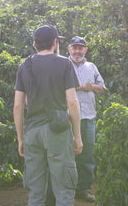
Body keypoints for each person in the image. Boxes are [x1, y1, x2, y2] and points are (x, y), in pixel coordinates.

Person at [13, 25, 83, 206]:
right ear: (55, 42)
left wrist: (21, 139)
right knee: (64, 190)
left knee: (36, 192)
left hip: (33, 133)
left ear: (35, 44)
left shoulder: (24, 66)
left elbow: (18, 106)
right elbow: (73, 102)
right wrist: (78, 136)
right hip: (58, 132)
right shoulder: (64, 64)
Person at [68, 36, 105, 202]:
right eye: (74, 48)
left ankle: (83, 190)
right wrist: (81, 87)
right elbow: (57, 88)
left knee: (87, 155)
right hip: (67, 117)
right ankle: (66, 190)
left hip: (89, 117)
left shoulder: (91, 67)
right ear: (69, 49)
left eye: (80, 48)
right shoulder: (63, 65)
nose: (77, 51)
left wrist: (93, 87)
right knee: (67, 155)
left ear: (85, 50)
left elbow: (101, 88)